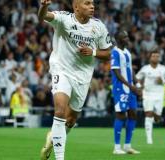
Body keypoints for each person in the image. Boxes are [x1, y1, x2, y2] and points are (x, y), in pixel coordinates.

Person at [37, 0, 112, 159]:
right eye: (87, 3)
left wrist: (92, 52)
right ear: (76, 7)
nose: (92, 6)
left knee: (70, 121)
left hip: (83, 76)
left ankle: (51, 140)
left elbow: (108, 54)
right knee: (60, 110)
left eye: (92, 3)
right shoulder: (64, 19)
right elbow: (43, 16)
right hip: (61, 69)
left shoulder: (99, 27)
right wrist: (44, 6)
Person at [110, 31, 141, 154]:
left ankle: (127, 145)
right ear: (118, 39)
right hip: (120, 89)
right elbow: (117, 73)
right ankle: (117, 147)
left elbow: (130, 69)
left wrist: (137, 83)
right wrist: (130, 86)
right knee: (121, 115)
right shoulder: (115, 52)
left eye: (128, 36)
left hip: (130, 88)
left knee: (133, 114)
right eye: (125, 37)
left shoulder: (127, 52)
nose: (128, 39)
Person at [136, 50, 165, 144]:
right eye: (153, 56)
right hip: (147, 95)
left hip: (159, 95)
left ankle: (157, 118)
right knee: (148, 114)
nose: (155, 58)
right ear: (150, 58)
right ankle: (149, 139)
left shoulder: (163, 69)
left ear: (159, 58)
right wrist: (139, 87)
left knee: (157, 118)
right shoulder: (145, 69)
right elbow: (137, 78)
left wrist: (162, 80)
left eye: (157, 56)